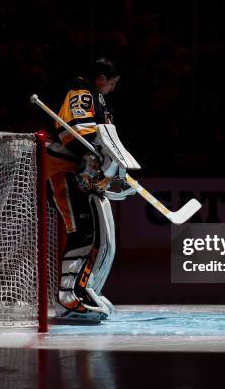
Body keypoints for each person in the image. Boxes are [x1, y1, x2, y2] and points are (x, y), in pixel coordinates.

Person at [44, 57, 134, 322]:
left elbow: (100, 140)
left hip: (79, 173)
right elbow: (75, 132)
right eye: (113, 83)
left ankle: (81, 292)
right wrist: (92, 159)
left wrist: (112, 168)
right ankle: (68, 299)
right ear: (102, 78)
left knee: (93, 235)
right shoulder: (82, 91)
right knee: (82, 233)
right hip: (66, 171)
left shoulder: (97, 97)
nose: (113, 88)